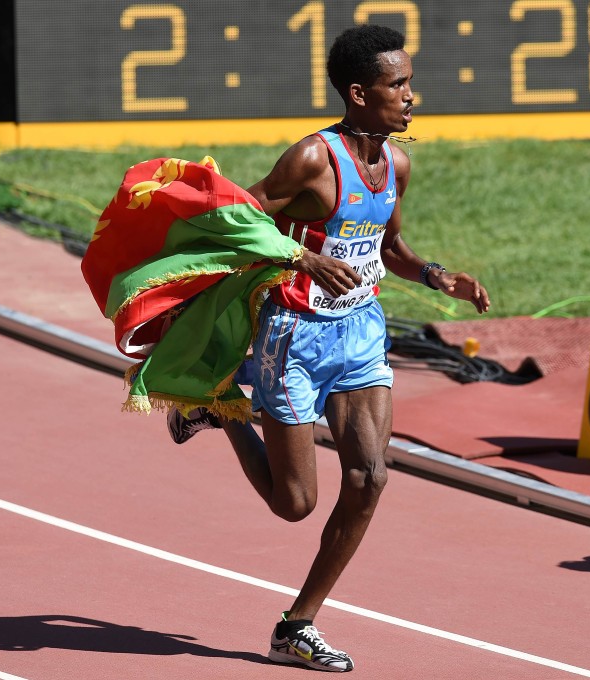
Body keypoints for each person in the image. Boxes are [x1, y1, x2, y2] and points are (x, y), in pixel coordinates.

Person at [168, 24, 489, 672]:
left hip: (362, 330)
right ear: (359, 93)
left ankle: (296, 626)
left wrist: (434, 275)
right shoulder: (313, 160)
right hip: (295, 335)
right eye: (397, 85)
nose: (410, 97)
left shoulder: (395, 162)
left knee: (369, 477)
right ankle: (222, 405)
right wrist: (305, 255)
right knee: (294, 504)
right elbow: (236, 220)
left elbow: (387, 246)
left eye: (409, 83)